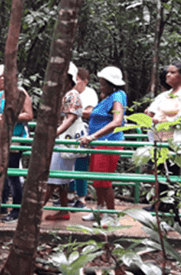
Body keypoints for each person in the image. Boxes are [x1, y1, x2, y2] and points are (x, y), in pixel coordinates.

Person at [143, 62, 181, 229]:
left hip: (173, 143)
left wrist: (160, 121)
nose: (168, 75)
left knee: (170, 179)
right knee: (162, 180)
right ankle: (165, 217)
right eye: (168, 72)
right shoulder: (170, 93)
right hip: (161, 141)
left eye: (173, 72)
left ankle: (172, 218)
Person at [0, 64, 33, 223]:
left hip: (14, 139)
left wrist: (10, 118)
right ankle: (0, 206)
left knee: (12, 173)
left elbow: (29, 115)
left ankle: (17, 209)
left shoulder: (20, 92)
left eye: (0, 77)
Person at [79, 66, 127, 228]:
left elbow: (117, 121)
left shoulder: (118, 96)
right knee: (98, 180)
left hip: (109, 143)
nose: (101, 85)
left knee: (105, 180)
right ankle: (99, 210)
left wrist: (93, 136)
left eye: (103, 82)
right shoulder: (107, 98)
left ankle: (112, 215)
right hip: (100, 144)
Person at [44, 63, 83, 221]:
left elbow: (71, 117)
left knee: (52, 178)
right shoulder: (66, 94)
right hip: (63, 140)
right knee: (62, 179)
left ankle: (32, 211)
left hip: (64, 141)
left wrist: (54, 134)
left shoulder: (71, 95)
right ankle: (63, 209)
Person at [68, 67, 97, 209]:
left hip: (82, 130)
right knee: (66, 161)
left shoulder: (89, 93)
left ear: (85, 81)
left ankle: (81, 197)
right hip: (68, 131)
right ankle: (69, 194)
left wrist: (73, 112)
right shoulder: (70, 92)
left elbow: (89, 112)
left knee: (80, 162)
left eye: (77, 80)